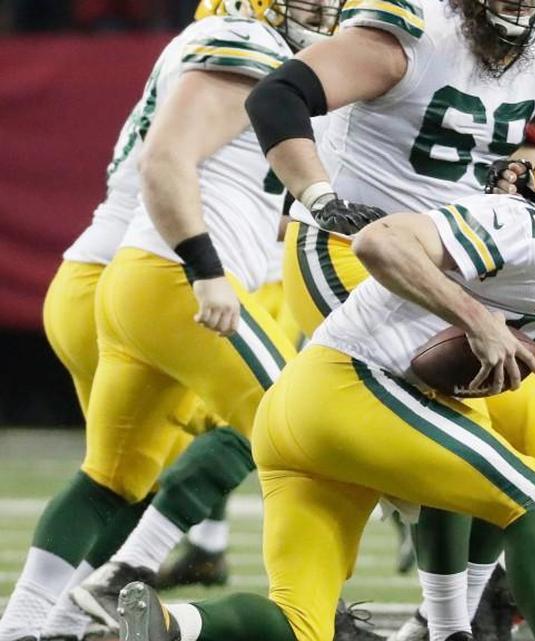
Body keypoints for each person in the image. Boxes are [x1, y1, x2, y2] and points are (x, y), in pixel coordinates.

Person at [112, 125, 535, 641]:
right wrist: (477, 319)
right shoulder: (519, 223)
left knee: (300, 620)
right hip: (348, 388)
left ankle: (174, 625)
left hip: (301, 413)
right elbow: (378, 240)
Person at [244, 1, 535, 639]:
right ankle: (442, 622)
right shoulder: (413, 31)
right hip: (353, 247)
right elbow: (276, 97)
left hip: (461, 262)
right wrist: (319, 196)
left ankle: (438, 620)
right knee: (451, 433)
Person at [0, 3, 339, 641]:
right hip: (154, 268)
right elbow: (170, 158)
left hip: (112, 274)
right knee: (293, 418)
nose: (324, 11)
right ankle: (131, 572)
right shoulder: (241, 42)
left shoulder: (236, 45)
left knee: (121, 475)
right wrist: (205, 266)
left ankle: (34, 626)